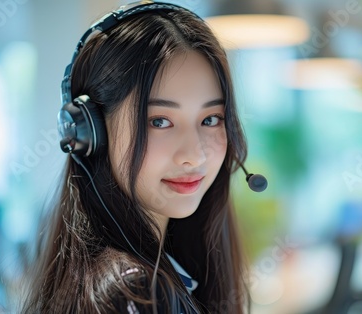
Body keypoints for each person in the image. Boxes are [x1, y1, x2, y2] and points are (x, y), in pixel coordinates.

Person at [21, 1, 253, 313]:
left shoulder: (154, 276)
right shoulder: (133, 293)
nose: (194, 155)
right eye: (159, 121)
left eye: (211, 119)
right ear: (91, 133)